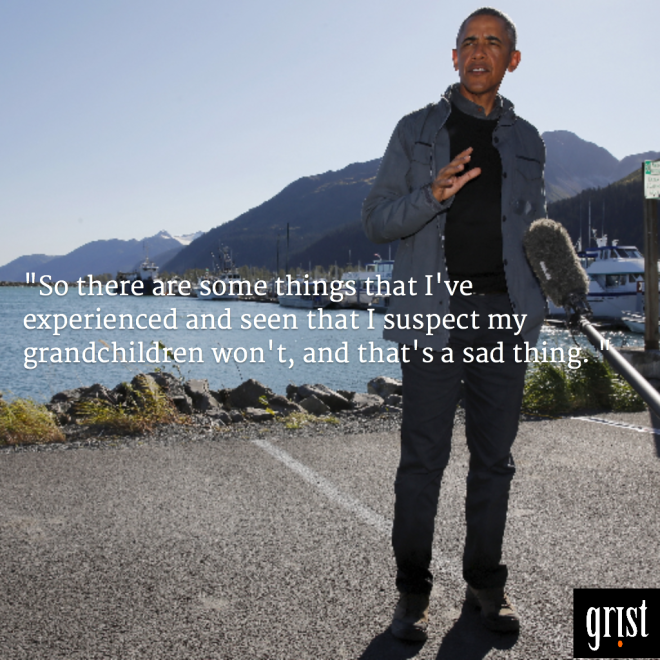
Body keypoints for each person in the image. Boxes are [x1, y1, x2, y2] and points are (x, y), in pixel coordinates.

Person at [362, 7, 547, 641]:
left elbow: (532, 233)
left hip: (503, 321)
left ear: (512, 60)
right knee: (422, 462)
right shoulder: (415, 130)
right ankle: (412, 593)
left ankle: (485, 585)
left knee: (494, 462)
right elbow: (376, 220)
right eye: (468, 40)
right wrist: (430, 196)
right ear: (453, 55)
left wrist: (547, 295)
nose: (478, 51)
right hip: (434, 317)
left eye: (492, 42)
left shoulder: (529, 141)